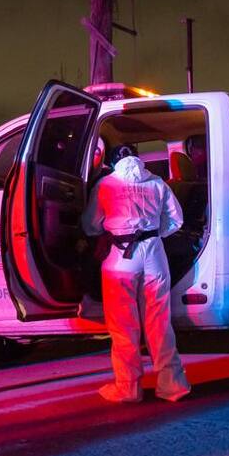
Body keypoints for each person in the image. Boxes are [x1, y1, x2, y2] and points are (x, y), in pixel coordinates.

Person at [81, 144, 191, 403]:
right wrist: (152, 234)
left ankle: (128, 388)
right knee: (159, 323)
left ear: (113, 162)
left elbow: (90, 225)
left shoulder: (106, 184)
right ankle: (173, 386)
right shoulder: (157, 183)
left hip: (120, 261)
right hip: (154, 257)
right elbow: (176, 220)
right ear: (138, 159)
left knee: (123, 326)